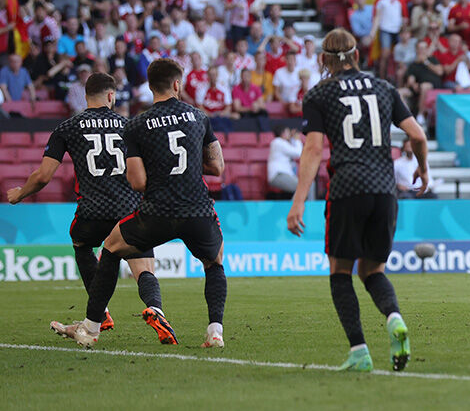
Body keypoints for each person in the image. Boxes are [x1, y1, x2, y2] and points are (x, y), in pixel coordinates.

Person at [51, 59, 227, 348]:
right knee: (215, 261)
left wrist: (160, 168)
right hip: (197, 208)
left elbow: (136, 182)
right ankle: (215, 332)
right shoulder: (199, 117)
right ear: (176, 84)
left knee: (110, 247)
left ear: (149, 86)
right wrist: (184, 167)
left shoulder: (137, 125)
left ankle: (92, 328)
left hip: (157, 210)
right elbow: (218, 167)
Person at [286, 29, 428, 372]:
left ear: (323, 60)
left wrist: (299, 201)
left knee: (341, 271)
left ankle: (360, 351)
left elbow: (314, 149)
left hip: (347, 188)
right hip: (384, 189)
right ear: (357, 57)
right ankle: (393, 316)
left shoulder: (319, 94)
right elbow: (417, 134)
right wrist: (422, 169)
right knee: (372, 269)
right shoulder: (384, 88)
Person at [9, 73, 166, 341]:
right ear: (111, 96)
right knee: (142, 264)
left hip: (92, 213)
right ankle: (155, 308)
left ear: (86, 96)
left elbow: (44, 175)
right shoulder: (129, 125)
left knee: (82, 244)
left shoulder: (68, 127)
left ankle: (101, 312)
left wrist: (20, 193)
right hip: (128, 210)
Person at [268, 125, 314, 199]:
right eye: (288, 132)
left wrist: (293, 139)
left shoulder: (282, 143)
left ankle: (295, 208)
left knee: (306, 185)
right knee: (306, 185)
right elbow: (298, 153)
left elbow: (293, 149)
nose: (289, 134)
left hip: (283, 175)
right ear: (282, 133)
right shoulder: (278, 142)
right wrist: (297, 139)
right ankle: (302, 209)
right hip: (279, 175)